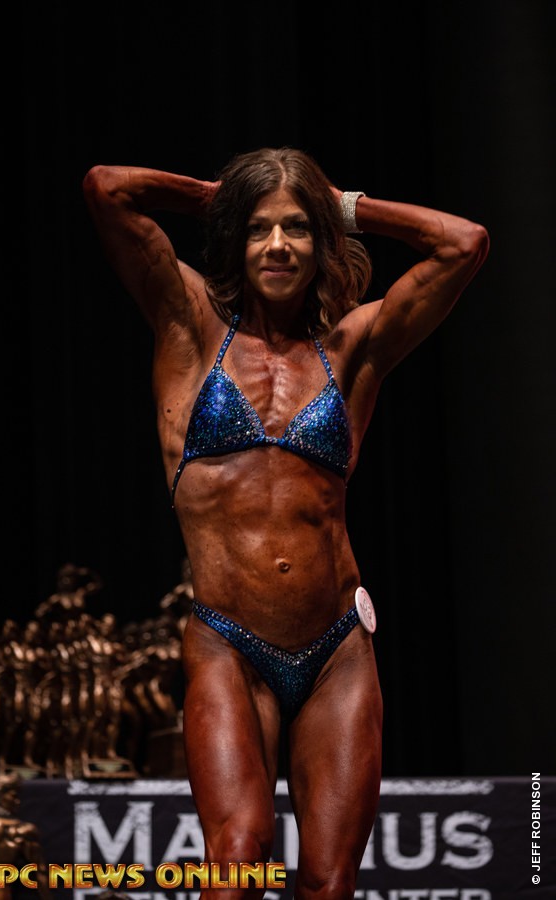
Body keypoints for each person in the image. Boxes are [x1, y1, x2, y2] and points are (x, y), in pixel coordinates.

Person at [82, 147, 488, 899]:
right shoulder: (190, 326)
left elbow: (463, 243)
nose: (277, 245)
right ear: (237, 239)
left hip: (337, 651)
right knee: (238, 859)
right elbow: (108, 190)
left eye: (297, 227)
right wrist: (222, 197)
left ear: (320, 240)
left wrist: (345, 206)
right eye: (259, 228)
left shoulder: (351, 350)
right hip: (228, 645)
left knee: (329, 883)